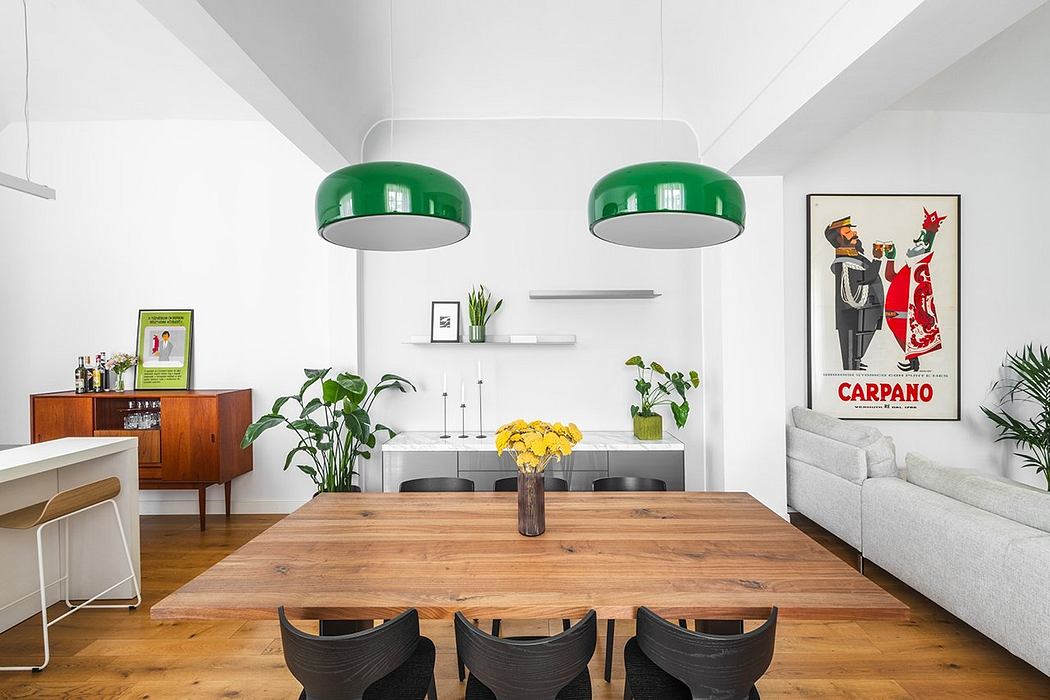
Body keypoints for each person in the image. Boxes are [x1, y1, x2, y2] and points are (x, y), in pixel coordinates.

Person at [882, 208, 946, 371]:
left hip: (904, 316)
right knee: (908, 342)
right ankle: (913, 360)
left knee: (910, 341)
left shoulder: (918, 268)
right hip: (896, 317)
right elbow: (890, 276)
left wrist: (930, 233)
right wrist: (891, 258)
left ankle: (913, 361)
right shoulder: (910, 267)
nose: (913, 245)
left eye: (918, 244)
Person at [825, 216, 884, 371]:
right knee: (850, 350)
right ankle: (853, 365)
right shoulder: (844, 261)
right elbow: (865, 278)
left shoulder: (852, 256)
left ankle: (856, 361)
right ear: (839, 239)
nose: (855, 233)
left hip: (860, 313)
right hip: (851, 315)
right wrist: (877, 259)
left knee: (856, 347)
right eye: (848, 232)